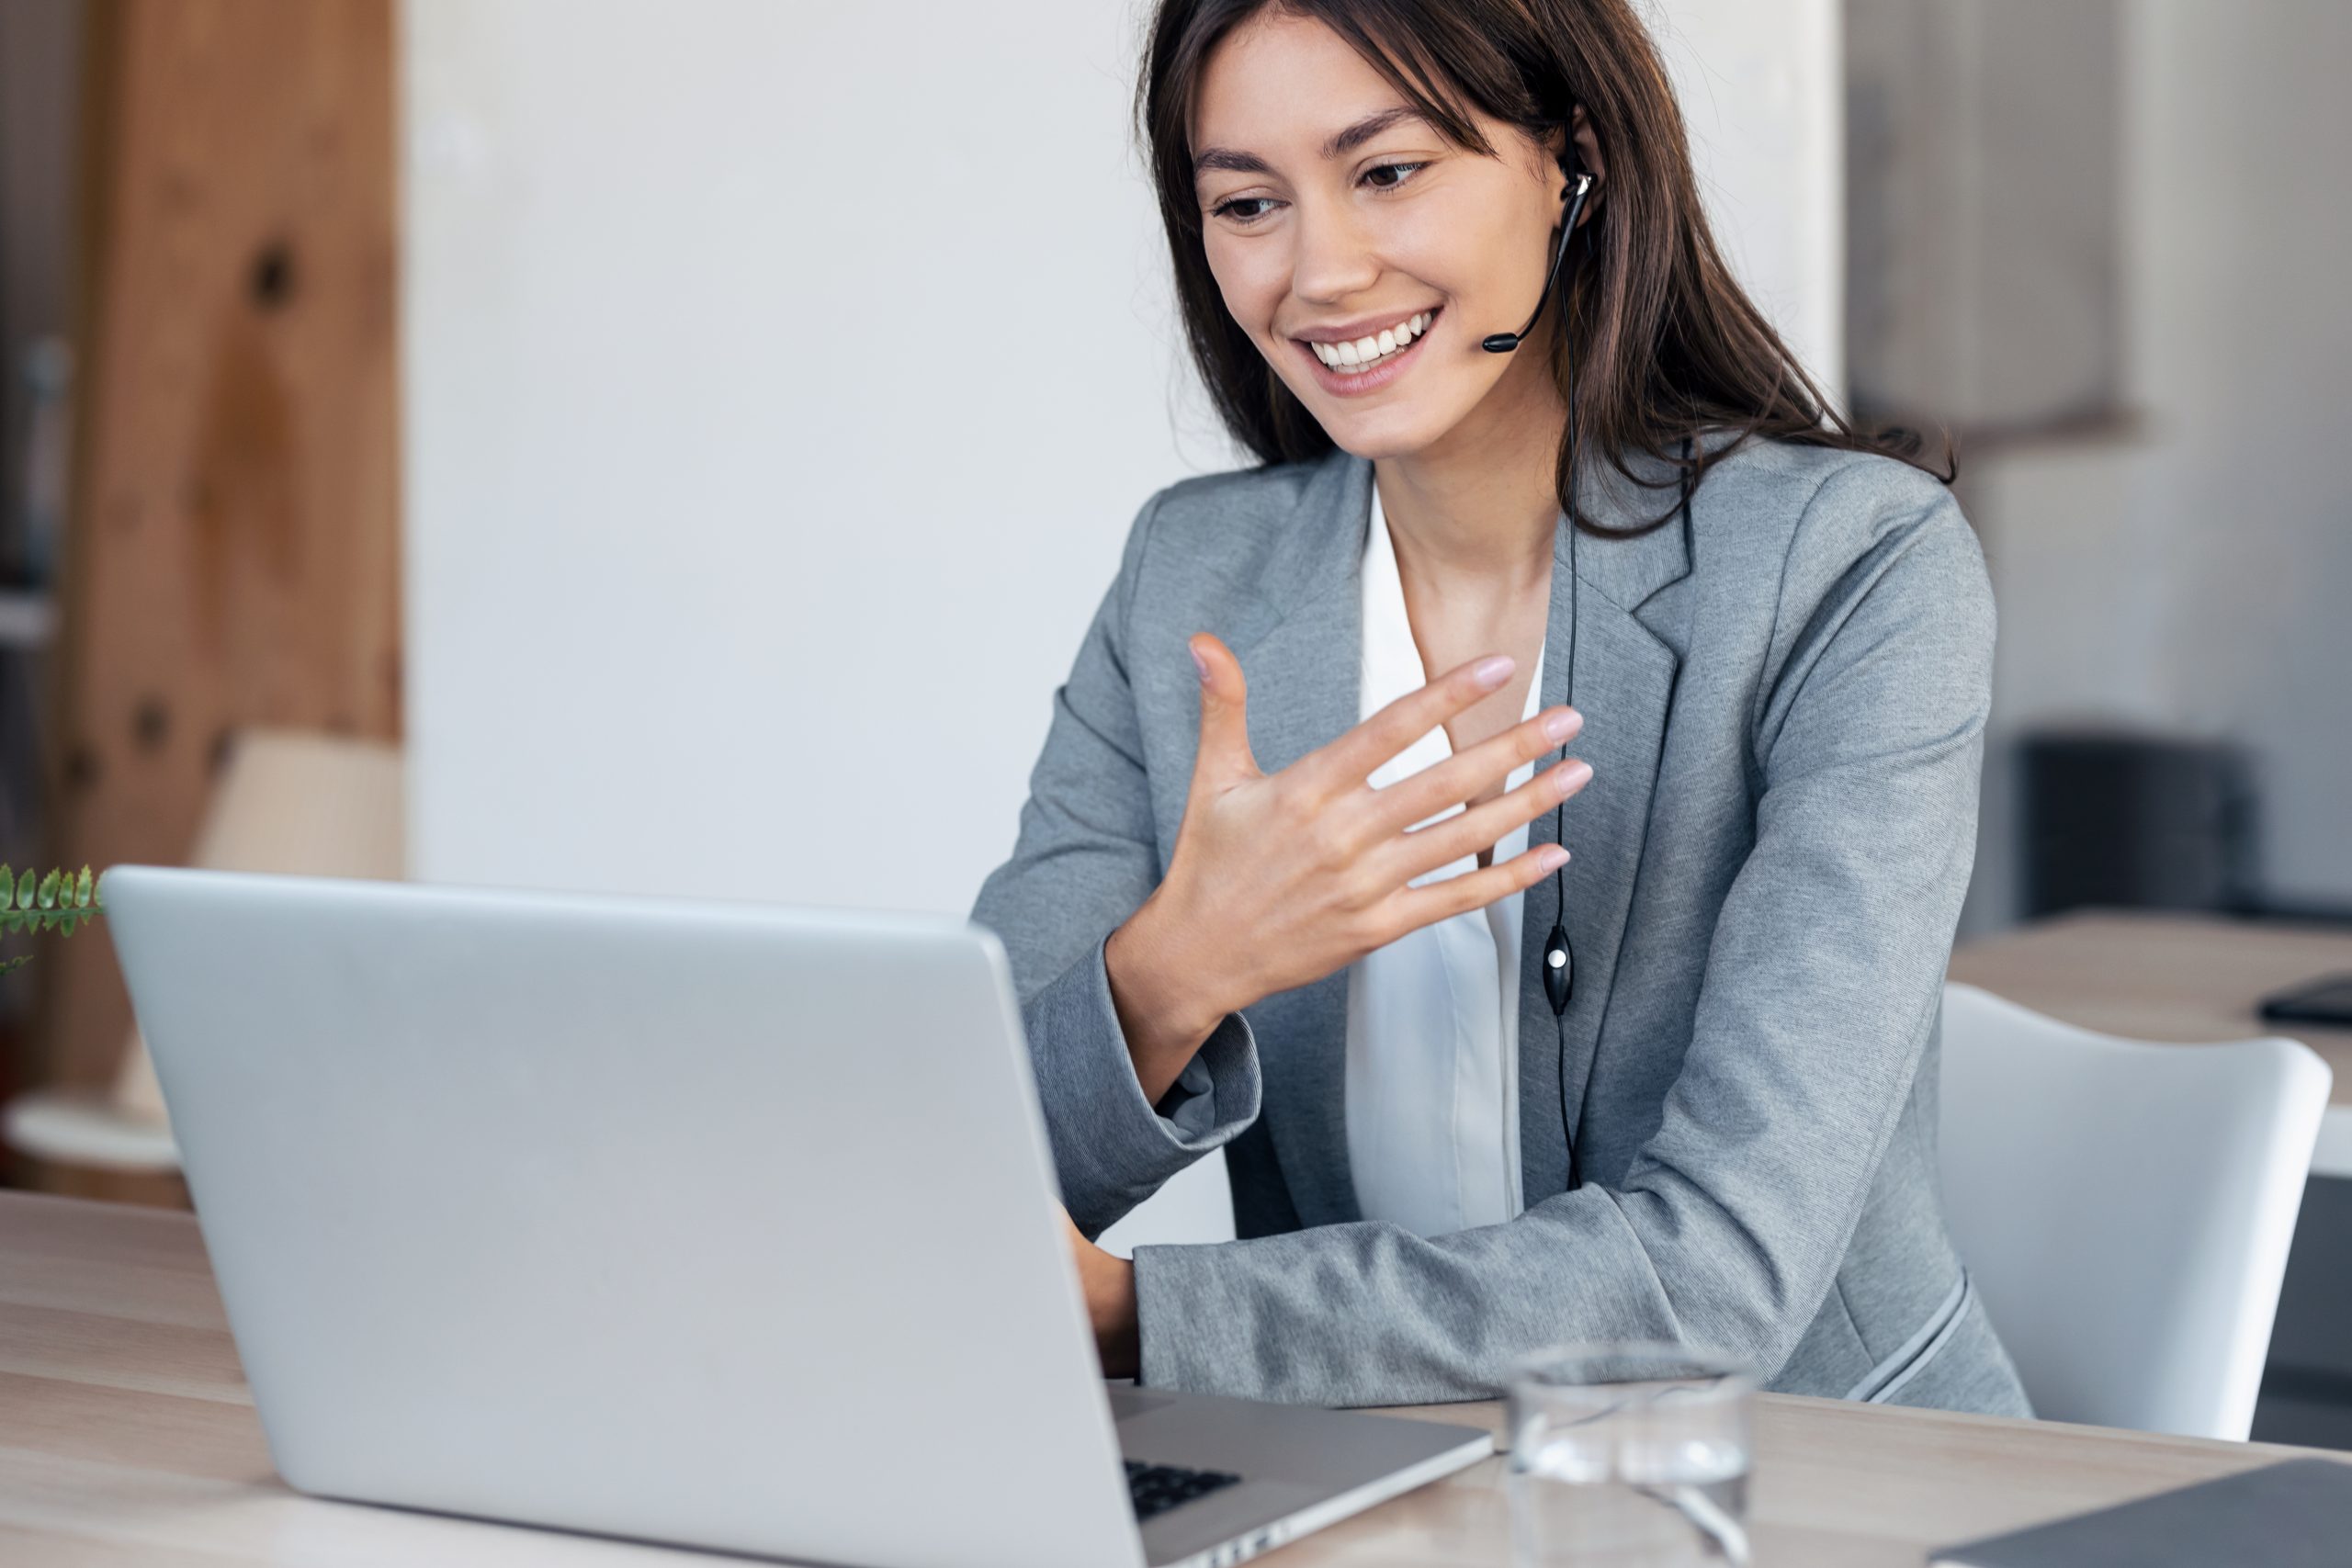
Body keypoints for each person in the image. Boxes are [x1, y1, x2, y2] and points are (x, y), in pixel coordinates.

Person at [970, 0, 2032, 1417]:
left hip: (1805, 1486)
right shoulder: (1193, 581)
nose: (1321, 271)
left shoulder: (1851, 567)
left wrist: (1129, 1317)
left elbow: (1720, 1279)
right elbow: (954, 1163)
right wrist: (1175, 971)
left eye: (1389, 171)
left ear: (1569, 162)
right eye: (1247, 202)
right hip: (1362, 1484)